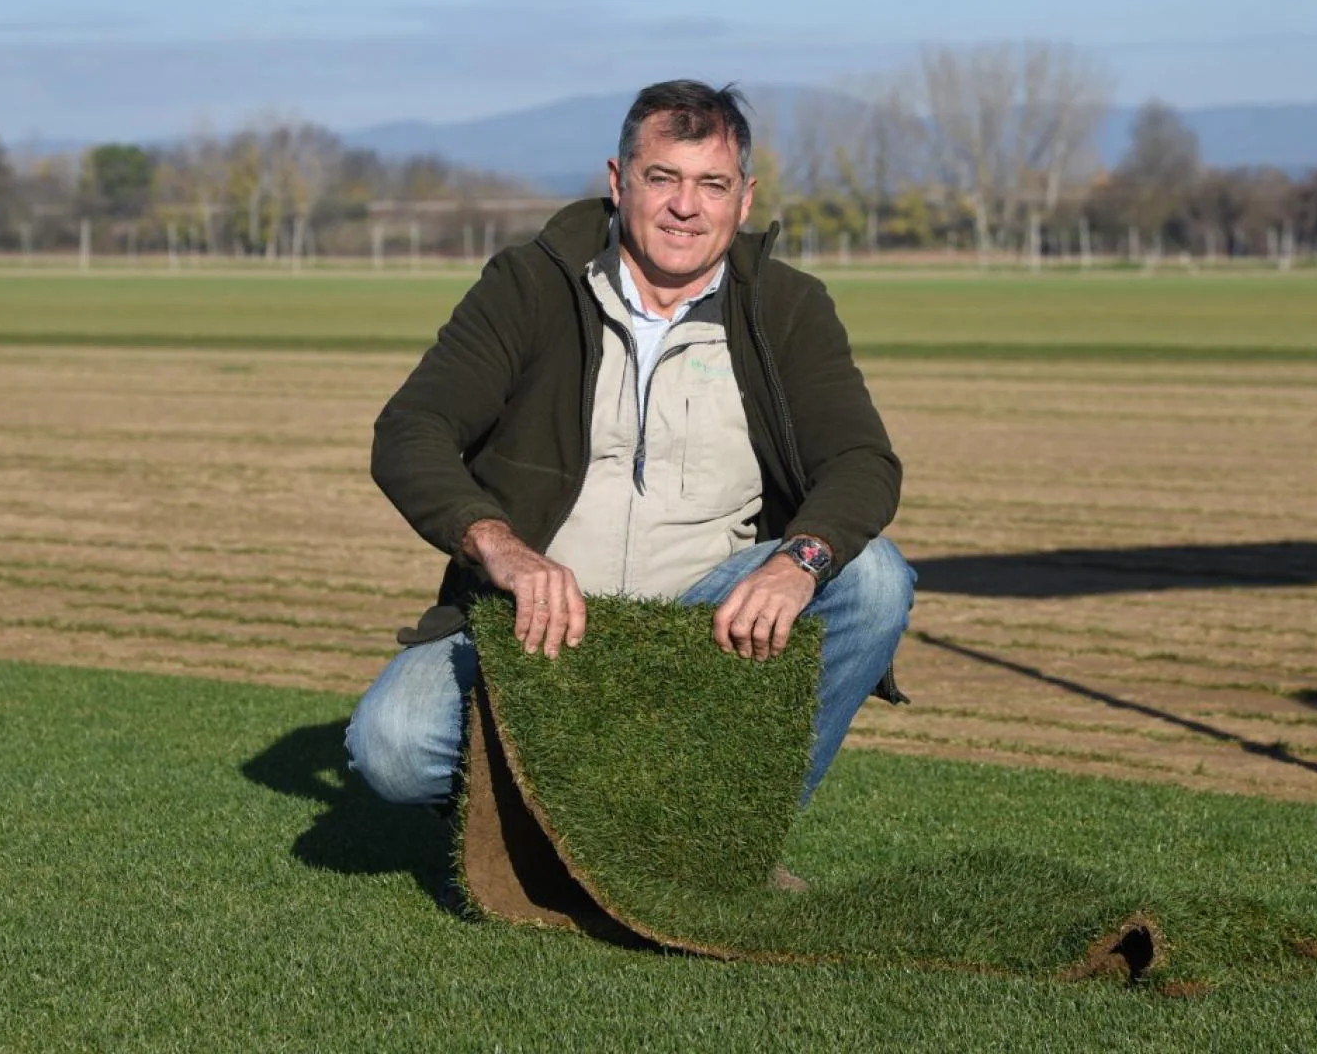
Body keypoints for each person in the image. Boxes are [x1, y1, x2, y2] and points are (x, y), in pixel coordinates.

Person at [346, 80, 912, 818]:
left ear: (744, 200)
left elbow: (863, 462)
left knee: (873, 576)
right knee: (391, 746)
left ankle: (727, 834)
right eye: (663, 178)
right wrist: (499, 547)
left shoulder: (788, 307)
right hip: (535, 627)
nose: (687, 206)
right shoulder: (530, 286)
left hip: (702, 634)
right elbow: (411, 430)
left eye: (712, 184)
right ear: (619, 183)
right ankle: (551, 823)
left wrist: (796, 563)